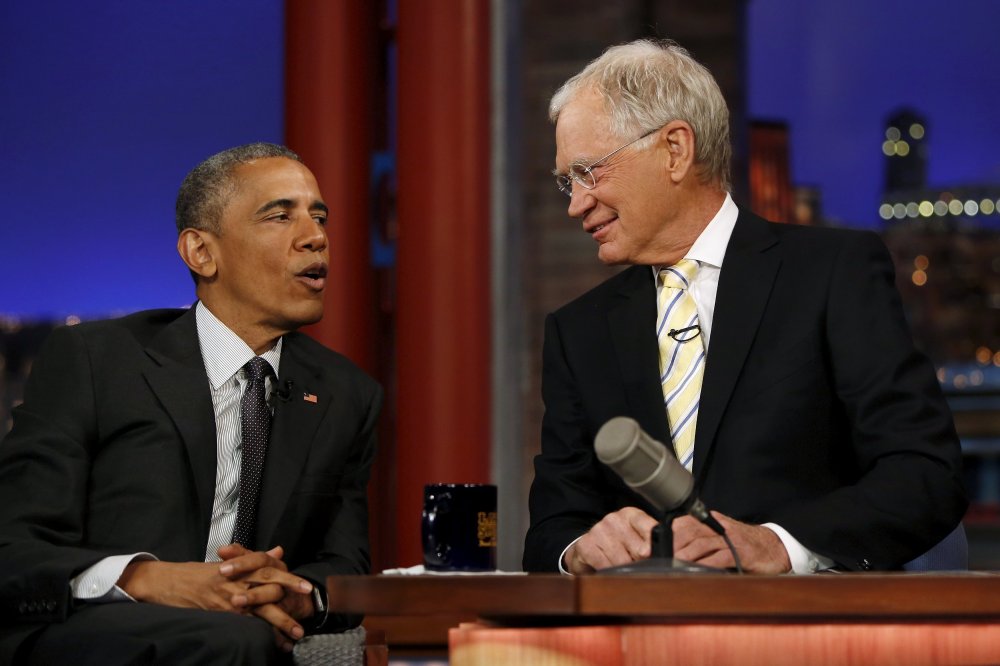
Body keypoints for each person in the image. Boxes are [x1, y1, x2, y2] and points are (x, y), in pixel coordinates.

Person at [522, 40, 967, 575]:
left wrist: (781, 546)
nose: (576, 202)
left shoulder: (830, 274)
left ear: (675, 150)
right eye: (567, 181)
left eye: (589, 171)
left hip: (808, 637)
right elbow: (551, 530)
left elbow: (925, 474)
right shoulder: (579, 333)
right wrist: (580, 550)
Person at [0, 143, 382, 664]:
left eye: (319, 217)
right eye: (279, 216)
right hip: (89, 632)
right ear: (201, 252)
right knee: (238, 640)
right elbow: (14, 548)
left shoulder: (346, 394)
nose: (316, 238)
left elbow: (344, 567)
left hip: (241, 633)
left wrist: (293, 590)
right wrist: (151, 579)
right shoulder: (96, 361)